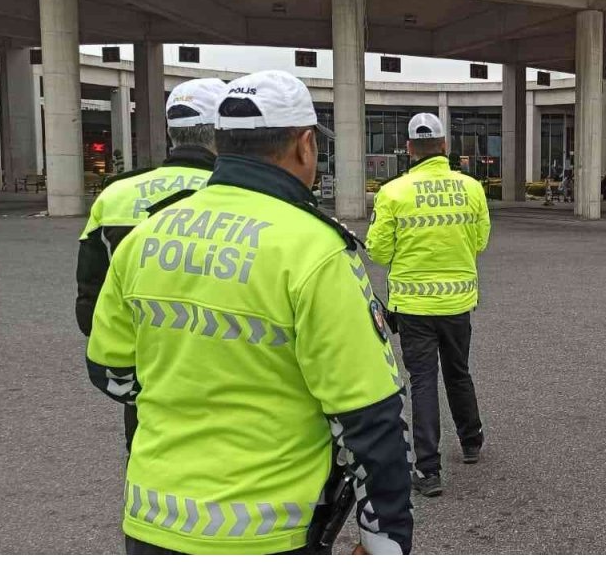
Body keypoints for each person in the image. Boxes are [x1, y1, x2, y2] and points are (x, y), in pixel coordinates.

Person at [85, 70, 412, 555]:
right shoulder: (313, 250)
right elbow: (370, 415)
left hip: (153, 521)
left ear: (221, 144)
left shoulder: (148, 235)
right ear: (305, 146)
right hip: (269, 529)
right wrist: (386, 544)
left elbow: (110, 373)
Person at [76, 78, 226, 453]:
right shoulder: (245, 194)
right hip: (232, 373)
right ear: (222, 132)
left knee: (152, 468)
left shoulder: (115, 194)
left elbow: (89, 304)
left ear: (171, 132)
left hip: (148, 373)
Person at [366, 113, 490, 498]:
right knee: (458, 372)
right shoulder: (472, 188)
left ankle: (429, 470)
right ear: (444, 146)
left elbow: (379, 249)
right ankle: (471, 442)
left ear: (408, 148)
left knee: (423, 382)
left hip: (414, 306)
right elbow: (480, 241)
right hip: (456, 302)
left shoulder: (393, 192)